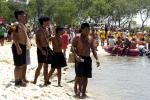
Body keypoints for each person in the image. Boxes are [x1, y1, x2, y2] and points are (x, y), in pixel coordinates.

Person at [71, 23, 100, 98]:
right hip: (79, 58)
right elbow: (73, 48)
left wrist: (97, 59)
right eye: (86, 29)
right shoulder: (77, 37)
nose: (88, 31)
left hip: (87, 58)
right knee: (79, 76)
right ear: (82, 29)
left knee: (86, 77)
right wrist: (76, 56)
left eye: (89, 29)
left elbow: (93, 50)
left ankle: (83, 92)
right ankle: (76, 88)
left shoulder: (90, 38)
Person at [32, 16, 52, 86]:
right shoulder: (39, 31)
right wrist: (41, 50)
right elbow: (37, 42)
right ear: (44, 22)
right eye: (48, 21)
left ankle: (45, 81)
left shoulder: (47, 29)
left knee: (46, 66)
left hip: (47, 48)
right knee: (40, 66)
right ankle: (35, 80)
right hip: (41, 49)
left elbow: (47, 39)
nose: (49, 22)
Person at [11, 9, 29, 86]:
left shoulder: (22, 24)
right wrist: (18, 47)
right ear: (17, 16)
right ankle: (17, 81)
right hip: (17, 45)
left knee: (21, 64)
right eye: (21, 14)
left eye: (23, 14)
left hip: (23, 46)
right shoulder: (16, 24)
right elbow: (13, 36)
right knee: (18, 65)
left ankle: (20, 80)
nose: (23, 16)